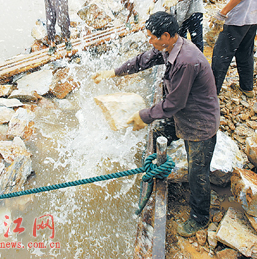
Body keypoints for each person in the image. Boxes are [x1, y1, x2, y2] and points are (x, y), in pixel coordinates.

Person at [92, 12, 220, 237]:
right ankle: (157, 169)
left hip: (199, 122)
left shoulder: (185, 61)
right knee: (160, 132)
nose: (149, 41)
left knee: (197, 173)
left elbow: (174, 103)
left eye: (152, 37)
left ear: (167, 35)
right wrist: (114, 72)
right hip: (183, 114)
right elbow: (143, 60)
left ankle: (199, 218)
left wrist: (143, 115)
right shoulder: (169, 47)